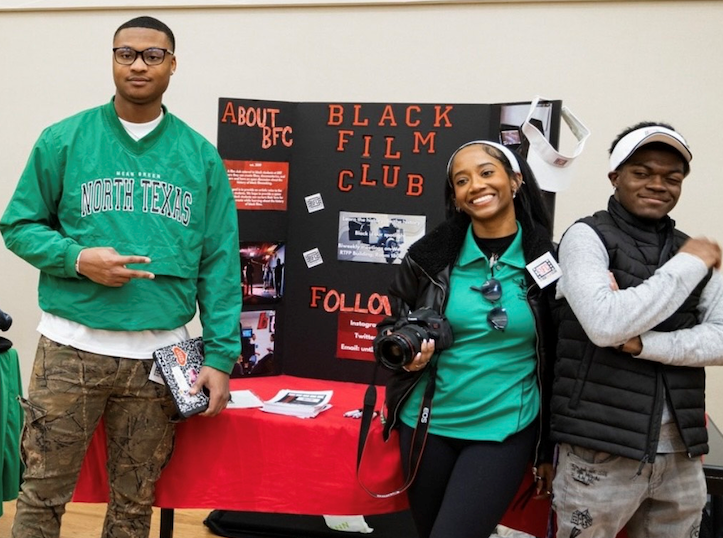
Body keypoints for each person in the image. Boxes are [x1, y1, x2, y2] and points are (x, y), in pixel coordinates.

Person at [0, 16, 241, 538]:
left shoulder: (200, 157)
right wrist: (77, 259)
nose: (137, 64)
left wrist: (221, 356)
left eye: (153, 55)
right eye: (125, 52)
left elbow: (221, 262)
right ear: (111, 59)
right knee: (41, 495)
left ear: (173, 65)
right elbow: (17, 224)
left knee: (134, 507)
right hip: (70, 349)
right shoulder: (64, 139)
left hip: (159, 359)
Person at [376, 140, 558, 538]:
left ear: (515, 181)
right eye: (462, 180)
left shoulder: (550, 264)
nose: (475, 185)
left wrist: (548, 448)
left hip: (502, 430)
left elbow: (563, 357)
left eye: (487, 172)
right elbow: (389, 328)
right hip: (425, 426)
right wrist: (406, 356)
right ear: (456, 198)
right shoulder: (428, 259)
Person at [550, 122, 723, 538]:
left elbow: (720, 340)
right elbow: (605, 324)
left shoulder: (691, 249)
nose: (658, 184)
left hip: (681, 451)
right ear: (615, 177)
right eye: (642, 172)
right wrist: (688, 265)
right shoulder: (585, 237)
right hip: (599, 450)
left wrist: (644, 343)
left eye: (671, 177)